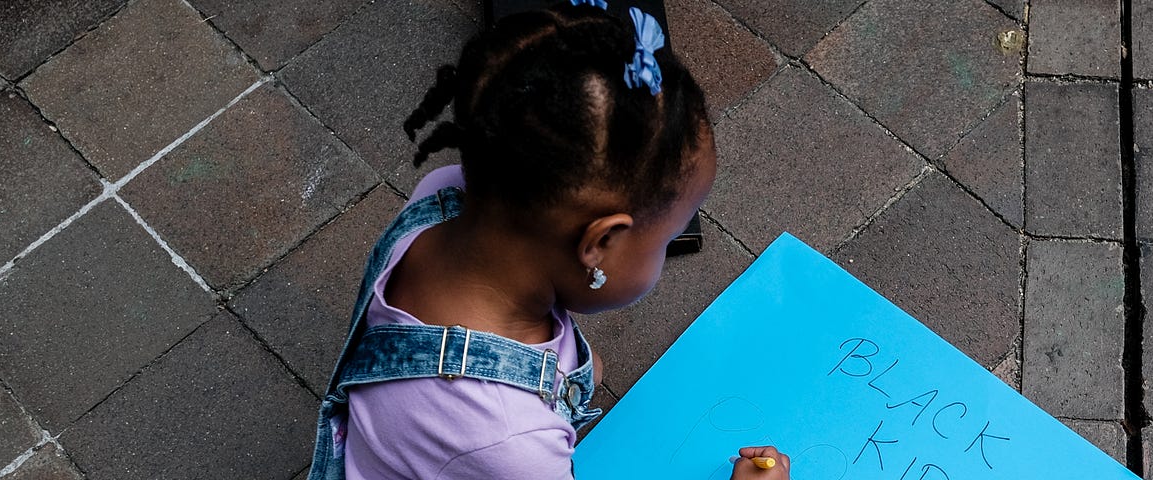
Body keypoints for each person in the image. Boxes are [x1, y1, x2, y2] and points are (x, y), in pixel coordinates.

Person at [305, 2, 790, 479]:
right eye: (666, 238)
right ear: (599, 243)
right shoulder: (512, 444)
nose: (665, 251)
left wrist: (563, 377)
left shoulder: (445, 197)